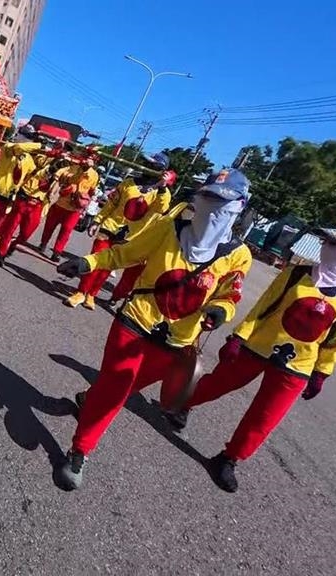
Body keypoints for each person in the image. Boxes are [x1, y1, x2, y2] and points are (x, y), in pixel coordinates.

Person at [54, 169, 253, 490]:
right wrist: (87, 263)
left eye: (222, 202)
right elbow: (124, 253)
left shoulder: (238, 256)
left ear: (239, 208)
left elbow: (230, 294)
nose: (211, 207)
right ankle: (80, 451)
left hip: (176, 344)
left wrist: (221, 311)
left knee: (120, 389)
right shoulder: (168, 228)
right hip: (134, 322)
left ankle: (90, 400)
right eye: (208, 198)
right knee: (115, 390)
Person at [167, 224, 336, 492]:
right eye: (326, 242)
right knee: (218, 383)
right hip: (259, 346)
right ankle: (182, 403)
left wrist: (322, 373)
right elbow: (263, 307)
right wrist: (238, 338)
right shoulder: (296, 274)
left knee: (265, 417)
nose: (326, 248)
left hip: (298, 365)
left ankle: (228, 459)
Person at [66, 161, 176, 310]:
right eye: (149, 164)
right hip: (109, 227)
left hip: (129, 236)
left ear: (162, 170)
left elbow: (161, 208)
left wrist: (162, 186)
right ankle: (80, 292)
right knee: (94, 260)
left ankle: (92, 294)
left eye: (156, 167)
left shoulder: (162, 193)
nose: (150, 169)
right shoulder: (128, 183)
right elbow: (111, 204)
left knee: (107, 267)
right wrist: (97, 221)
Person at [0, 151, 54, 261]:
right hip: (22, 199)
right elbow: (38, 168)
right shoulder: (30, 160)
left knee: (26, 233)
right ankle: (1, 253)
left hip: (37, 204)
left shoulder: (59, 165)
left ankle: (13, 246)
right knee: (10, 228)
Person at [40, 157, 99, 262]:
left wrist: (86, 205)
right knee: (49, 226)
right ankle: (43, 243)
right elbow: (65, 179)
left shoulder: (94, 175)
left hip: (75, 208)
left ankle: (57, 251)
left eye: (91, 159)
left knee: (66, 230)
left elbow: (92, 191)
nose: (88, 161)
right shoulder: (71, 168)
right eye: (87, 157)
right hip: (61, 204)